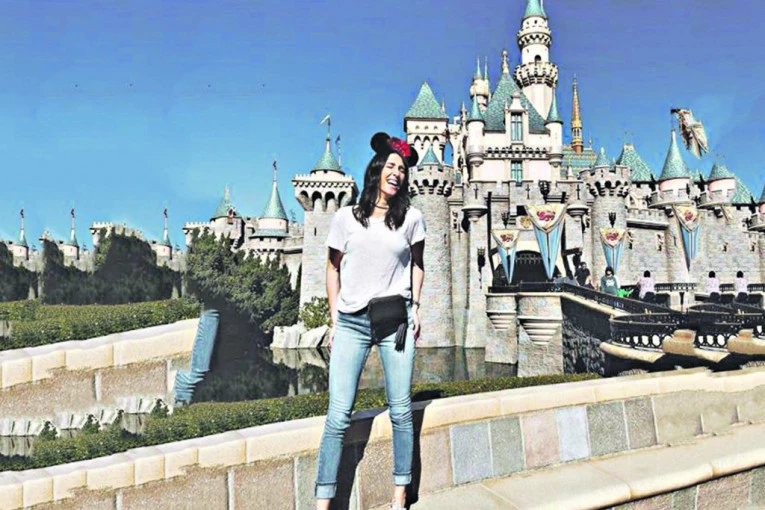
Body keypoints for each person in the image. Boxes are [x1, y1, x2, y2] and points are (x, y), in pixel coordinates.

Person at [315, 132, 426, 510]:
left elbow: (418, 265)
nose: (397, 173)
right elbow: (332, 269)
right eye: (392, 166)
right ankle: (323, 503)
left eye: (403, 170)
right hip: (352, 323)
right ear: (377, 169)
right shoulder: (345, 218)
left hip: (395, 322)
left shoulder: (412, 218)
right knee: (337, 416)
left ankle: (399, 498)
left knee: (401, 412)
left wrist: (416, 307)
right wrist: (334, 320)